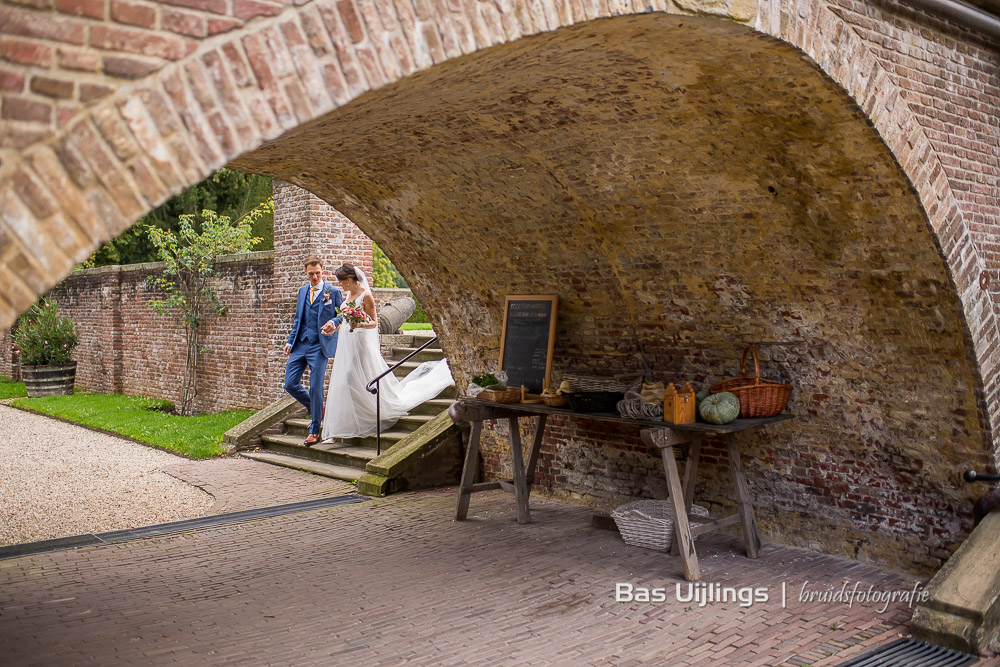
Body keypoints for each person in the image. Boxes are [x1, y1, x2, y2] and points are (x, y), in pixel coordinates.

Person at [322, 263, 453, 440]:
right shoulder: (348, 294)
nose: (341, 285)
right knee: (346, 379)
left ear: (350, 280)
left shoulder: (366, 296)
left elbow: (374, 323)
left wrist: (359, 323)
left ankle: (365, 416)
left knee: (350, 377)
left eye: (342, 282)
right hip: (346, 341)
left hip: (360, 342)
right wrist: (335, 329)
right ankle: (345, 424)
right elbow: (346, 321)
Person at [283, 257, 344, 446]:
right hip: (301, 344)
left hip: (319, 345)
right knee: (290, 384)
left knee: (316, 387)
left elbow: (343, 314)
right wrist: (290, 341)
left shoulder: (332, 292)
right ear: (305, 272)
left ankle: (315, 430)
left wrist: (334, 322)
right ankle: (319, 408)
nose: (315, 276)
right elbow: (298, 319)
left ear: (322, 270)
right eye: (311, 273)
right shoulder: (302, 291)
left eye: (318, 272)